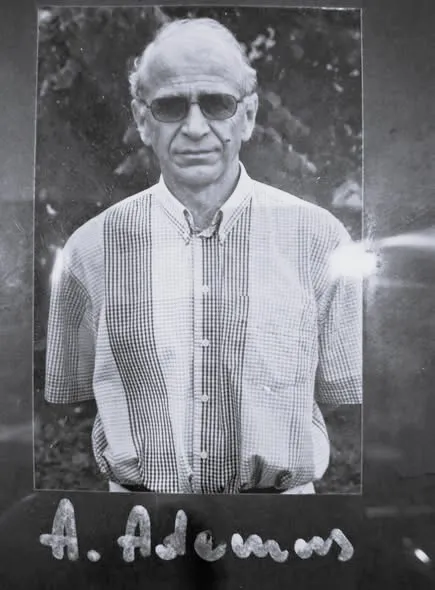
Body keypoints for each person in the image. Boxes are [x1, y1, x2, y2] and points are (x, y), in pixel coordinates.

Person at [44, 17, 362, 495]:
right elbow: (70, 388)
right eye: (170, 106)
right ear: (142, 121)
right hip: (136, 525)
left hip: (285, 525)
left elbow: (341, 390)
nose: (195, 128)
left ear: (248, 116)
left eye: (217, 103)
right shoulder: (90, 249)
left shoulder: (320, 239)